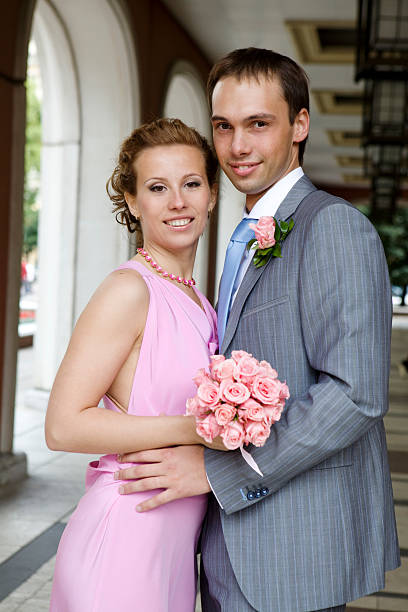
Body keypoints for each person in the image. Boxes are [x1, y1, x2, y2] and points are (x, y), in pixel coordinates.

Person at [115, 49, 400, 611]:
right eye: (224, 126)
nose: (237, 146)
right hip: (228, 545)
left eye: (258, 124)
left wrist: (216, 468)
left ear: (300, 125)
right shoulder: (247, 233)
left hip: (292, 552)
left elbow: (356, 396)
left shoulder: (334, 228)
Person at [46, 118, 222, 611]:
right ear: (132, 201)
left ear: (211, 194)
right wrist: (194, 429)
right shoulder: (129, 291)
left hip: (171, 550)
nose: (178, 202)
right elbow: (63, 426)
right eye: (157, 188)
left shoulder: (201, 302)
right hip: (124, 535)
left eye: (191, 184)